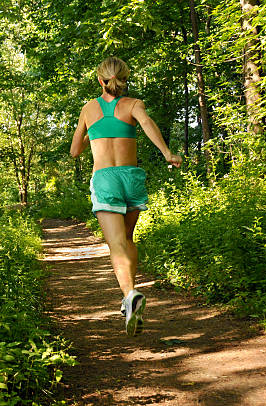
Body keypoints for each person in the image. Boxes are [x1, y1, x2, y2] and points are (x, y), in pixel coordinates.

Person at [70, 56, 182, 335]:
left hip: (105, 179)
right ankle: (129, 296)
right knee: (128, 239)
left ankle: (130, 295)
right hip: (132, 177)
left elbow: (74, 151)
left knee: (116, 243)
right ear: (125, 77)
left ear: (100, 79)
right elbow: (147, 124)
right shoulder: (134, 105)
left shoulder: (88, 109)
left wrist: (93, 132)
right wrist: (167, 154)